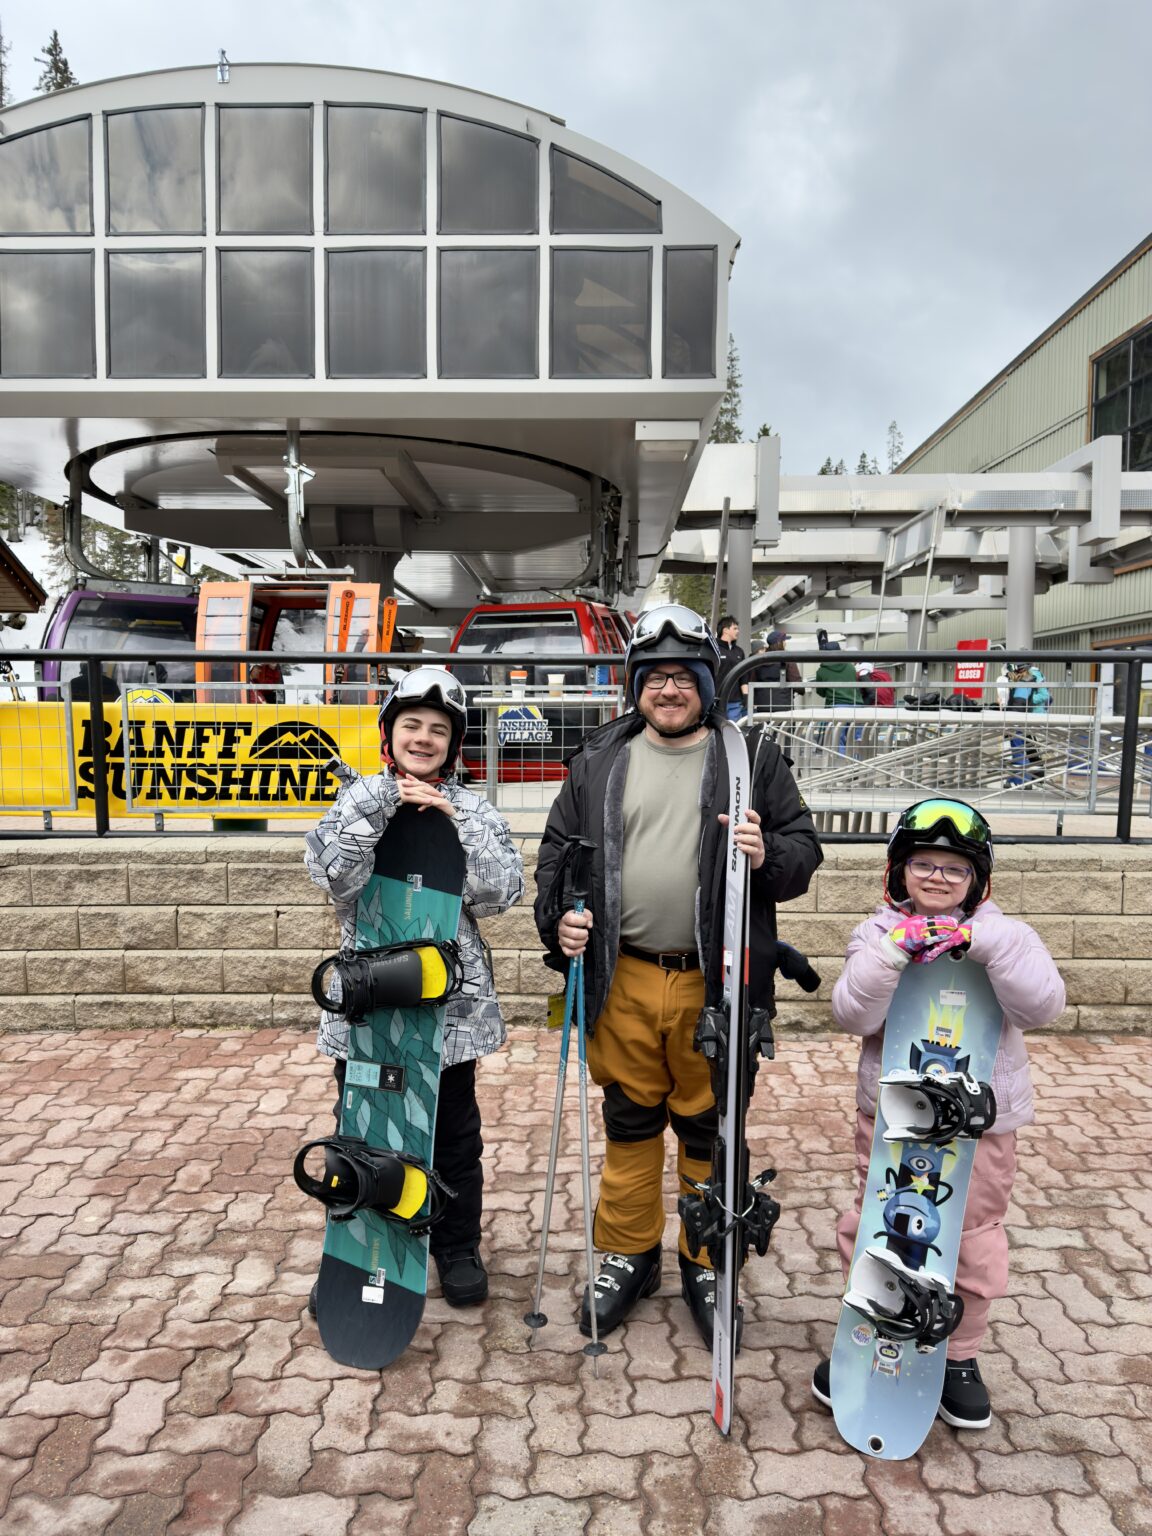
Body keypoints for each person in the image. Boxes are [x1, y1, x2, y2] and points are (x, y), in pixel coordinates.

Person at [533, 604, 822, 1347]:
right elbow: (556, 859)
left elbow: (802, 852)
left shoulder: (750, 759)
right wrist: (558, 920)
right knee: (629, 1124)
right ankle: (628, 1256)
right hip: (621, 980)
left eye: (682, 677)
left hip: (715, 983)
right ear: (635, 686)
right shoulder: (597, 761)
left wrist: (768, 856)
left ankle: (706, 1259)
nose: (667, 690)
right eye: (653, 678)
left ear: (707, 682)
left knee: (708, 1128)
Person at [811, 797, 1065, 1429]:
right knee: (882, 1227)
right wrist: (894, 952)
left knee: (970, 1240)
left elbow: (1042, 1007)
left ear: (978, 880)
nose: (937, 878)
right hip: (892, 1122)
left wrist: (989, 945)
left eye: (955, 869)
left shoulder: (1010, 936)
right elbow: (852, 1014)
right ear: (898, 873)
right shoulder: (875, 935)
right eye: (922, 864)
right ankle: (868, 1331)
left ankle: (959, 1355)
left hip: (980, 1130)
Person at [304, 666, 524, 1308]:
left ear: (454, 743)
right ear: (389, 733)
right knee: (362, 1129)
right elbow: (331, 879)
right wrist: (378, 808)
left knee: (453, 1133)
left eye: (438, 730)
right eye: (411, 726)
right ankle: (352, 1256)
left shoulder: (475, 808)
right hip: (368, 1004)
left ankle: (456, 1246)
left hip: (447, 1012)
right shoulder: (356, 799)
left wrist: (452, 820)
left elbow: (500, 893)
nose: (423, 739)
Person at [747, 628, 803, 713]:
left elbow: (752, 681)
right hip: (783, 707)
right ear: (779, 643)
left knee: (765, 726)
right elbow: (796, 683)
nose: (785, 643)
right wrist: (801, 690)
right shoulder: (787, 659)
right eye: (784, 641)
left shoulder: (759, 659)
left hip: (762, 707)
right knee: (784, 726)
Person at [813, 631, 857, 707]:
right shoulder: (850, 666)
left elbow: (821, 693)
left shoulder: (821, 671)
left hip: (834, 707)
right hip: (856, 705)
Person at [716, 615, 746, 720]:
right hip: (716, 700)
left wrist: (746, 696)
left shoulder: (739, 651)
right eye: (735, 628)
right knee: (718, 731)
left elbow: (743, 676)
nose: (738, 631)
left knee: (734, 730)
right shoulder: (713, 648)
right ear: (725, 630)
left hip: (735, 701)